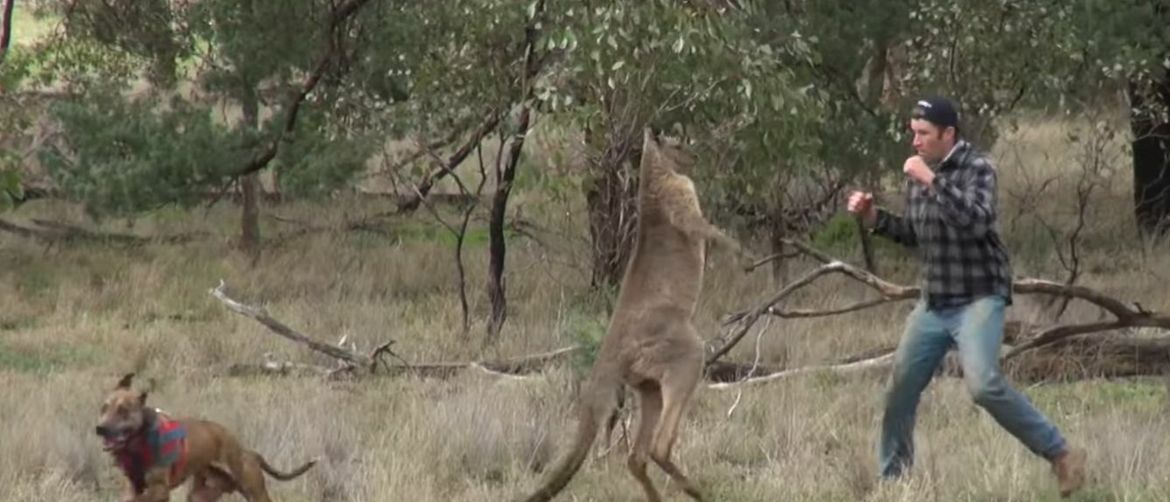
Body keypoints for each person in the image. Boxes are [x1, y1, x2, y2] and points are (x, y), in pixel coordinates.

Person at [846, 96, 1086, 497]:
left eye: (924, 134)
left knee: (984, 385)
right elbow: (916, 234)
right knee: (899, 389)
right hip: (935, 302)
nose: (916, 142)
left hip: (978, 297)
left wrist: (930, 180)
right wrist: (873, 218)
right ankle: (894, 481)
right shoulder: (923, 172)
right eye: (914, 134)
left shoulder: (978, 168)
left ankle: (1061, 454)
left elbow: (976, 222)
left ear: (949, 134)